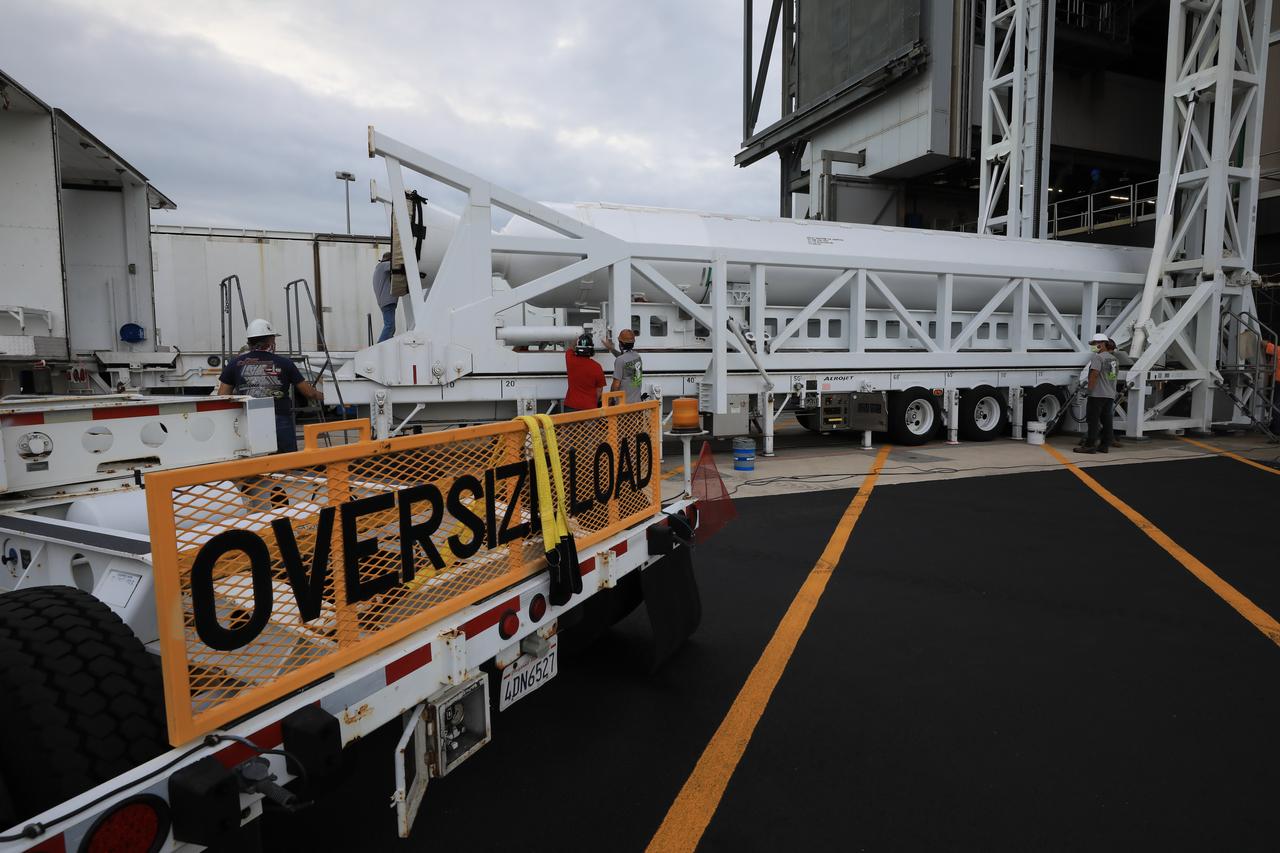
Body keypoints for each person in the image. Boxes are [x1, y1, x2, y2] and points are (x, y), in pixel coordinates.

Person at [217, 318, 323, 453]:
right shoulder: (285, 363)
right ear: (270, 341)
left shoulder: (234, 364)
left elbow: (222, 396)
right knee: (286, 461)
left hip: (248, 419)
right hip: (279, 418)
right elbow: (309, 393)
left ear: (249, 342)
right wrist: (325, 396)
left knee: (255, 458)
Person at [1075, 332, 1118, 454]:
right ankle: (1104, 446)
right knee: (1107, 420)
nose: (1093, 345)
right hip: (1109, 394)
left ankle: (1090, 446)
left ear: (1102, 344)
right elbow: (1111, 377)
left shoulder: (1098, 358)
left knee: (1093, 421)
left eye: (1094, 343)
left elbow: (1094, 375)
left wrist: (1089, 390)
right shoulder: (1113, 359)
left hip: (1097, 394)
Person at [564, 331, 605, 412]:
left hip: (571, 406)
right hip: (589, 408)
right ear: (591, 350)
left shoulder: (570, 360)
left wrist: (577, 338)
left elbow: (570, 348)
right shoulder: (597, 367)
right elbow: (599, 390)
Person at [602, 328, 644, 404]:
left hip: (624, 406)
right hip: (637, 404)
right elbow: (624, 358)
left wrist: (610, 400)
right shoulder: (637, 356)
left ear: (621, 344)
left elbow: (616, 384)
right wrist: (611, 348)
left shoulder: (620, 360)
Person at [372, 251, 396, 342]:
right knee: (389, 325)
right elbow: (394, 265)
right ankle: (380, 346)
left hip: (386, 301)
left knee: (391, 327)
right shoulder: (383, 266)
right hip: (387, 301)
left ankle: (387, 344)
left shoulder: (379, 269)